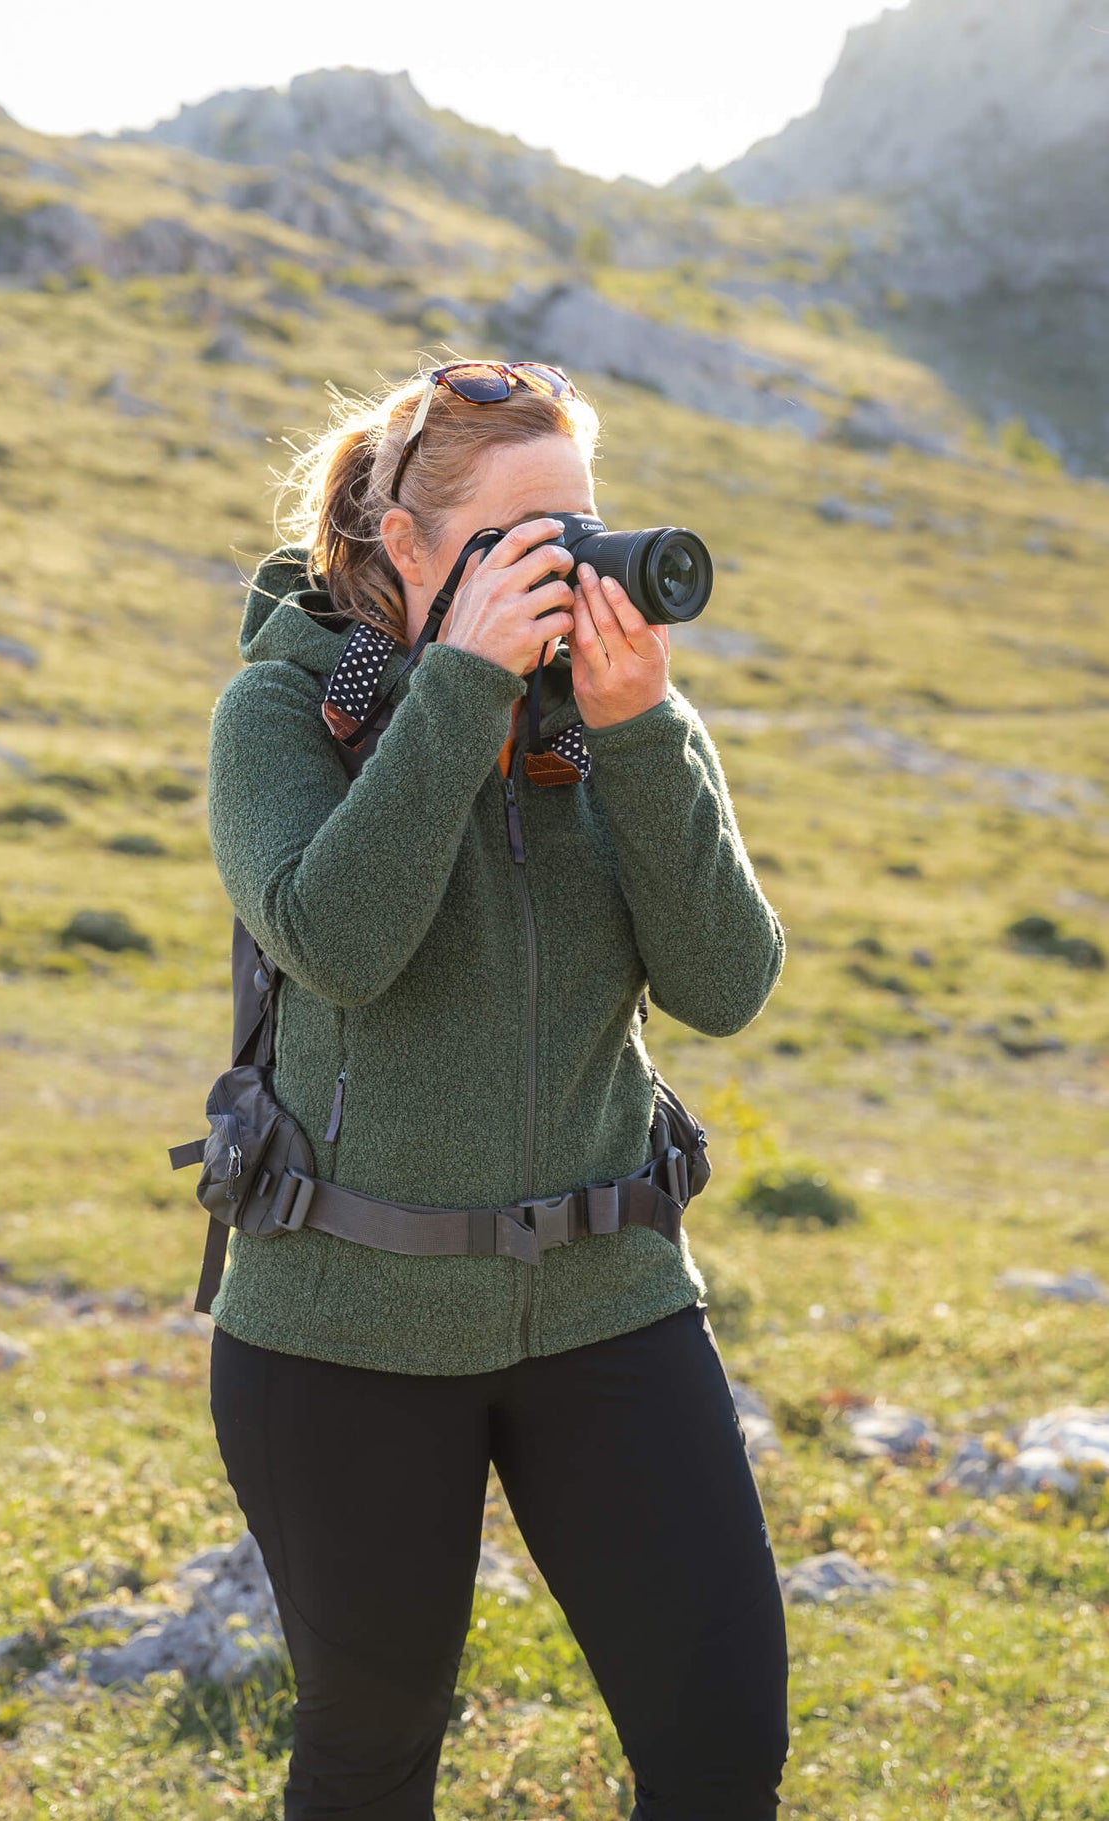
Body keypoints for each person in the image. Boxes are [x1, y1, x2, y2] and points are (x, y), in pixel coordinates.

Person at [205, 360, 791, 1821]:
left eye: (578, 526)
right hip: (341, 1331)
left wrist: (647, 730)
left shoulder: (617, 717)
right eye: (521, 537)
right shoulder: (284, 712)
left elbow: (724, 986)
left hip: (609, 1303)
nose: (567, 565)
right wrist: (459, 687)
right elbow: (338, 944)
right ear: (406, 543)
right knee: (372, 1757)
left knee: (723, 1745)